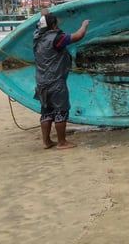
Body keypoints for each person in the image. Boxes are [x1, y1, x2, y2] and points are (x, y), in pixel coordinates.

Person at [33, 12, 90, 149]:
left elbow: (41, 23)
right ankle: (62, 142)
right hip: (56, 82)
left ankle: (46, 142)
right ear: (53, 25)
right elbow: (78, 36)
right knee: (61, 111)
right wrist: (84, 25)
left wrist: (45, 14)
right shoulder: (56, 38)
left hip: (41, 82)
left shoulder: (36, 37)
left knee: (46, 112)